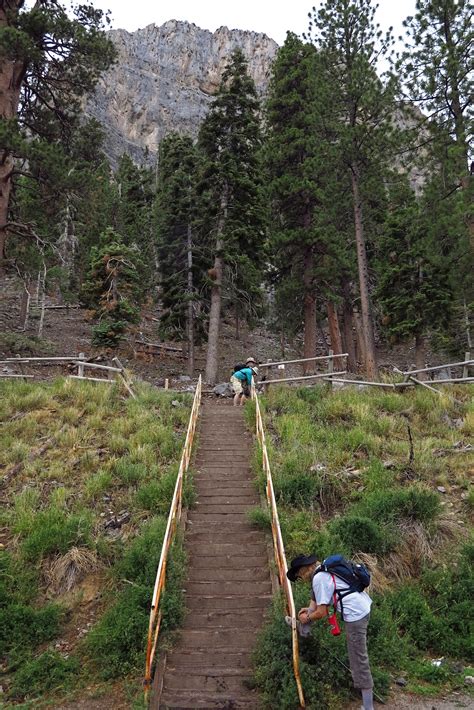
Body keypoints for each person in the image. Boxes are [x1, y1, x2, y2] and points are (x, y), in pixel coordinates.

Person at [286, 554, 374, 710]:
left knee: (358, 659)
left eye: (299, 575)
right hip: (361, 606)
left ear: (306, 569)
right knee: (358, 657)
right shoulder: (322, 571)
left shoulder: (319, 579)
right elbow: (314, 605)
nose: (301, 578)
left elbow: (321, 613)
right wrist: (307, 613)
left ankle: (368, 707)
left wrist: (307, 619)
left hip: (356, 615)